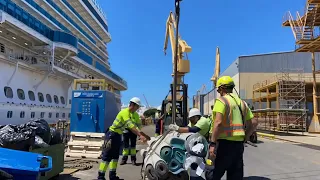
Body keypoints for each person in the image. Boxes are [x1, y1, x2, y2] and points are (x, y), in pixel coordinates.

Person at [208, 76, 257, 180]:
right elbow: (254, 122)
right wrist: (246, 137)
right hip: (239, 145)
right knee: (235, 175)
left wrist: (212, 144)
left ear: (222, 88)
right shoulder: (242, 103)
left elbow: (218, 123)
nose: (219, 92)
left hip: (224, 145)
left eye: (218, 90)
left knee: (213, 174)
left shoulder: (222, 101)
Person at [98, 97, 149, 180]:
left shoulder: (133, 114)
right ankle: (101, 176)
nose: (138, 109)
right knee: (107, 157)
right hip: (111, 135)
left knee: (115, 157)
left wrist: (145, 136)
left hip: (118, 135)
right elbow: (130, 125)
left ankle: (112, 176)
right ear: (133, 105)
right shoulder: (124, 112)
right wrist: (140, 135)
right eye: (137, 107)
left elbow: (136, 126)